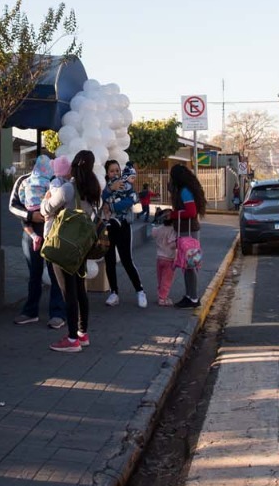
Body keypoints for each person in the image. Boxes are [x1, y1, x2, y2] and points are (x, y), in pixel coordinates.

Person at [43, 150, 100, 352]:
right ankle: (83, 334)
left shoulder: (68, 189)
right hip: (82, 246)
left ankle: (71, 339)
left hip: (64, 246)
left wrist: (46, 198)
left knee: (68, 291)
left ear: (75, 165)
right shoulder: (94, 189)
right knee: (80, 289)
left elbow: (46, 209)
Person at [9, 154, 66, 327]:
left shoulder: (57, 180)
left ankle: (58, 313)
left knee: (55, 273)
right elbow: (13, 205)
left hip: (53, 231)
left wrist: (49, 214)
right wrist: (30, 215)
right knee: (34, 273)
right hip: (31, 232)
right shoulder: (23, 180)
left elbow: (65, 203)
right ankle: (30, 311)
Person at [101, 159, 147, 307]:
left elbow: (131, 200)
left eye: (117, 170)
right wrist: (109, 190)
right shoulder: (105, 187)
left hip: (124, 226)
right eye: (112, 171)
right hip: (108, 227)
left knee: (127, 260)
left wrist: (113, 206)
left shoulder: (127, 184)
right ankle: (113, 293)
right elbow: (100, 201)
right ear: (107, 173)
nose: (115, 173)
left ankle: (140, 291)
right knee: (109, 261)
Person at [168, 163, 208, 309]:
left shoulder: (185, 191)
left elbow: (191, 212)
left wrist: (173, 214)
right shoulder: (184, 190)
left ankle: (194, 297)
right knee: (187, 266)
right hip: (187, 231)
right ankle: (189, 295)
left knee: (191, 265)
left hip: (189, 232)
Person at [152, 208, 178, 305]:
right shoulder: (173, 231)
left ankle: (160, 295)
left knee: (160, 279)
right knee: (166, 280)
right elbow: (172, 245)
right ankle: (163, 298)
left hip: (159, 258)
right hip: (169, 259)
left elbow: (153, 233)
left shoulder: (159, 229)